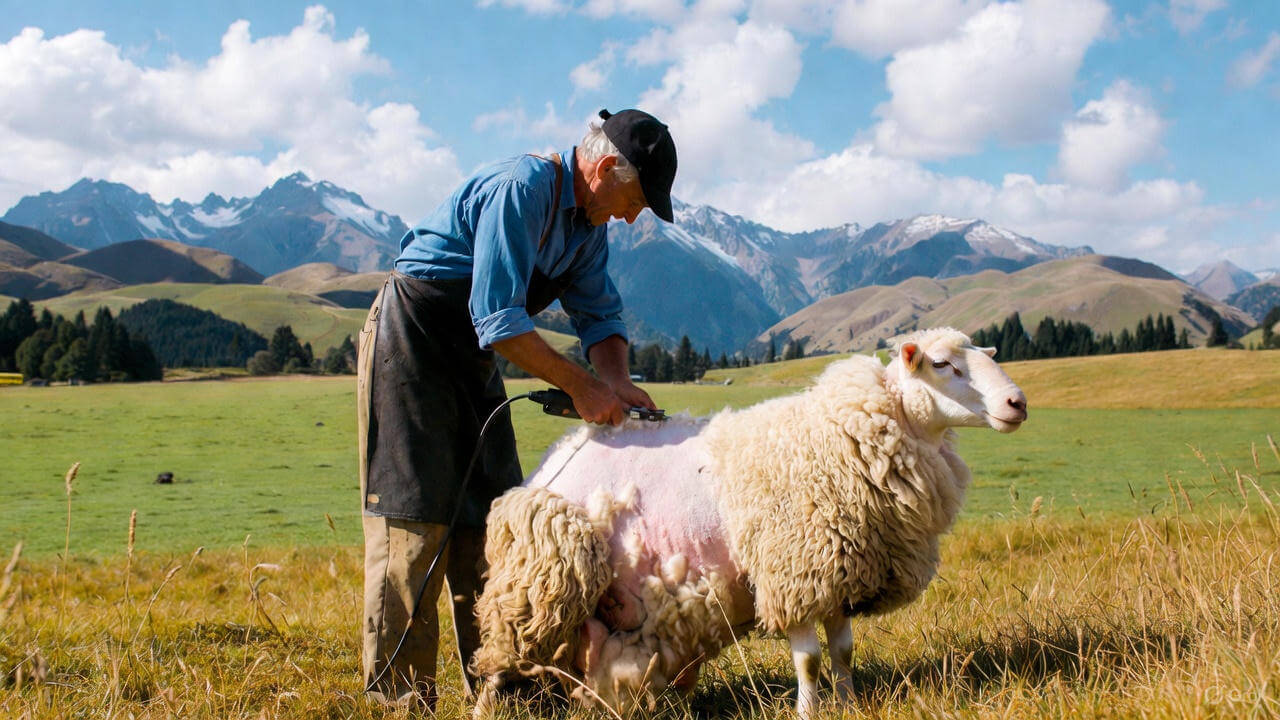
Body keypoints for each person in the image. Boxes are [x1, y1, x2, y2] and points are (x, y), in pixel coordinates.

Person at [356, 108, 677, 707]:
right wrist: (583, 389)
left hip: (474, 356)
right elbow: (499, 319)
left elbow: (601, 317)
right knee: (413, 517)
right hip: (414, 336)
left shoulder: (587, 227)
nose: (635, 216)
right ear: (606, 168)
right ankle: (398, 702)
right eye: (637, 200)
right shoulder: (521, 190)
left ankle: (506, 689)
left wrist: (616, 381)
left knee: (494, 517)